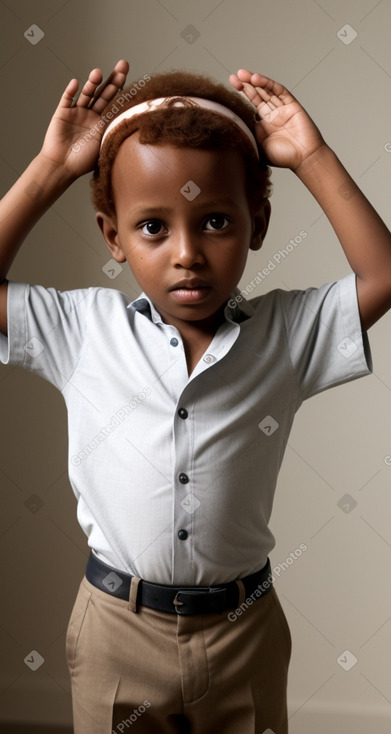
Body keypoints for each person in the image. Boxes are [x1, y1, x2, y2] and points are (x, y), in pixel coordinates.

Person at [0, 58, 390, 734]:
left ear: (257, 225)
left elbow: (380, 274)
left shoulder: (285, 332)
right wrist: (54, 168)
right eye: (153, 226)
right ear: (111, 236)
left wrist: (312, 156)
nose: (186, 253)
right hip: (114, 628)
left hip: (242, 630)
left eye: (214, 221)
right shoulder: (81, 331)